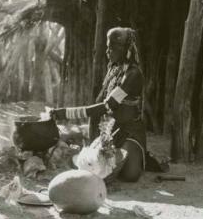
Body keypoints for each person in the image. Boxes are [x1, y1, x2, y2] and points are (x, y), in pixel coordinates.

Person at [50, 27, 146, 183]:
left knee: (130, 175)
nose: (108, 52)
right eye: (107, 47)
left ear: (125, 49)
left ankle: (139, 155)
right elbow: (99, 104)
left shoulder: (133, 75)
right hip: (111, 131)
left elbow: (106, 106)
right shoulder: (114, 71)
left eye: (112, 48)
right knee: (95, 166)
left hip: (130, 132)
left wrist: (66, 113)